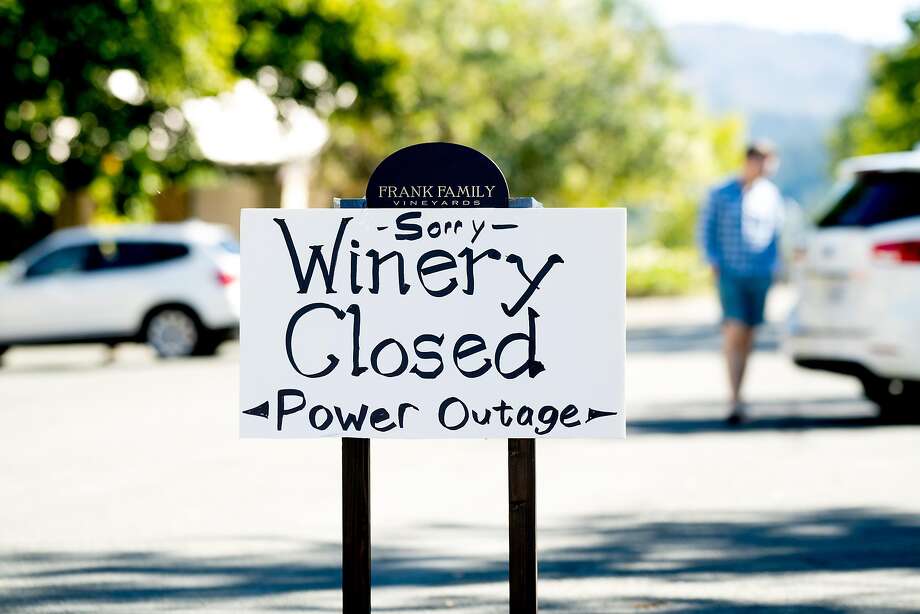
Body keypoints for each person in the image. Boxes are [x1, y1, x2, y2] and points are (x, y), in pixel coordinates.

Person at [699, 141, 784, 425]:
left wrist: (775, 266)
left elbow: (776, 234)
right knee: (734, 330)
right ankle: (733, 398)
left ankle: (740, 392)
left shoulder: (770, 195)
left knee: (749, 335)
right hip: (730, 273)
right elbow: (706, 230)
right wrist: (711, 261)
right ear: (750, 160)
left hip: (759, 274)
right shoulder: (721, 192)